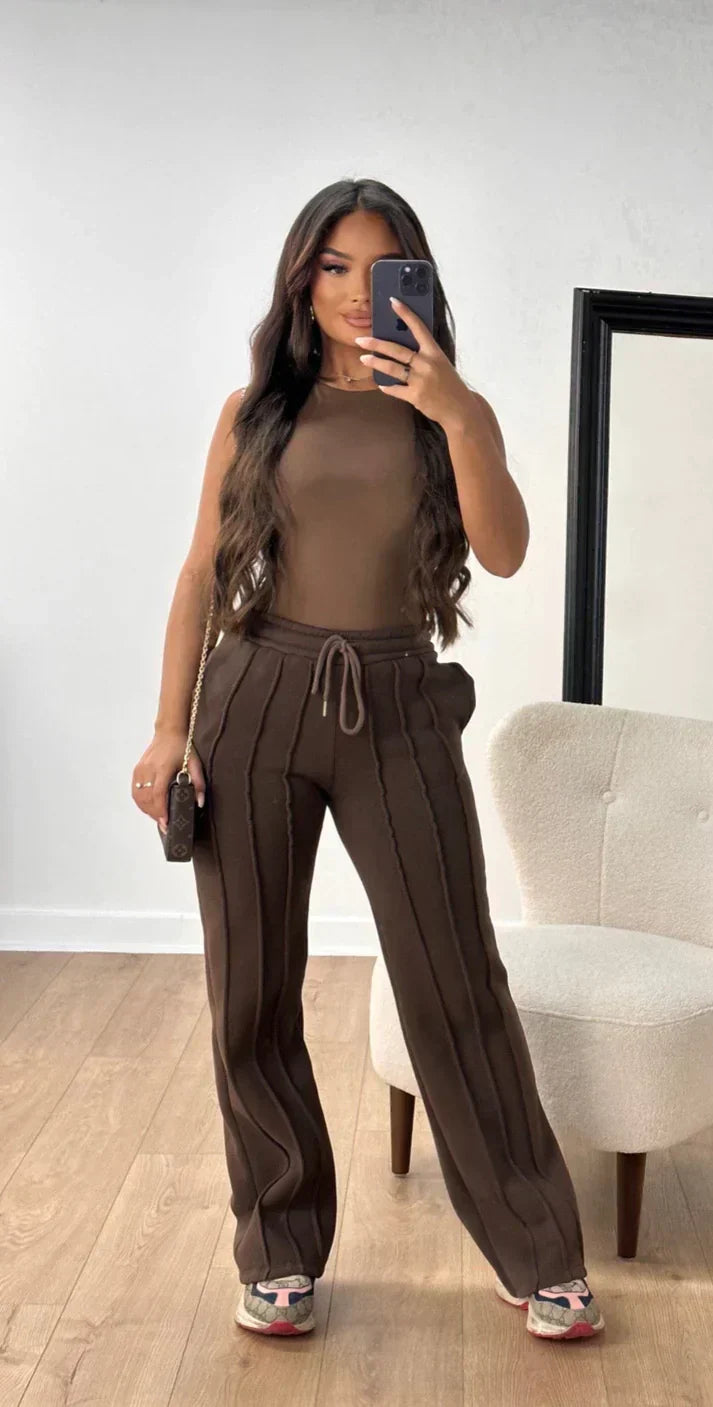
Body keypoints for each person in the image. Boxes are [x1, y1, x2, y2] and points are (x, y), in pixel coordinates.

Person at [132, 178, 605, 1341]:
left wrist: (458, 414)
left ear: (415, 282)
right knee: (249, 992)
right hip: (256, 697)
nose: (353, 292)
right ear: (301, 280)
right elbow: (198, 572)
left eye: (377, 267)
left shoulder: (448, 413)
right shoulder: (255, 411)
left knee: (454, 980)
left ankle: (536, 1251)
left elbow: (503, 553)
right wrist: (167, 728)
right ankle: (278, 1250)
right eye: (331, 267)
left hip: (395, 703)